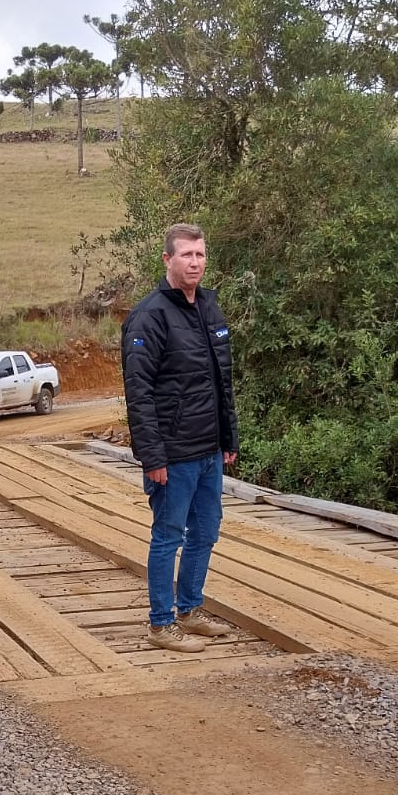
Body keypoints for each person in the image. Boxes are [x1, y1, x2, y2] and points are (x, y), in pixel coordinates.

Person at [120, 223, 239, 653]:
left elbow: (220, 382)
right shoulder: (150, 316)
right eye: (186, 255)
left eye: (201, 255)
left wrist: (229, 439)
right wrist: (152, 457)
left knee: (206, 531)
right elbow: (140, 392)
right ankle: (160, 624)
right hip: (172, 454)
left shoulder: (209, 307)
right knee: (168, 535)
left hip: (208, 449)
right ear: (167, 259)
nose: (195, 262)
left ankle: (189, 611)